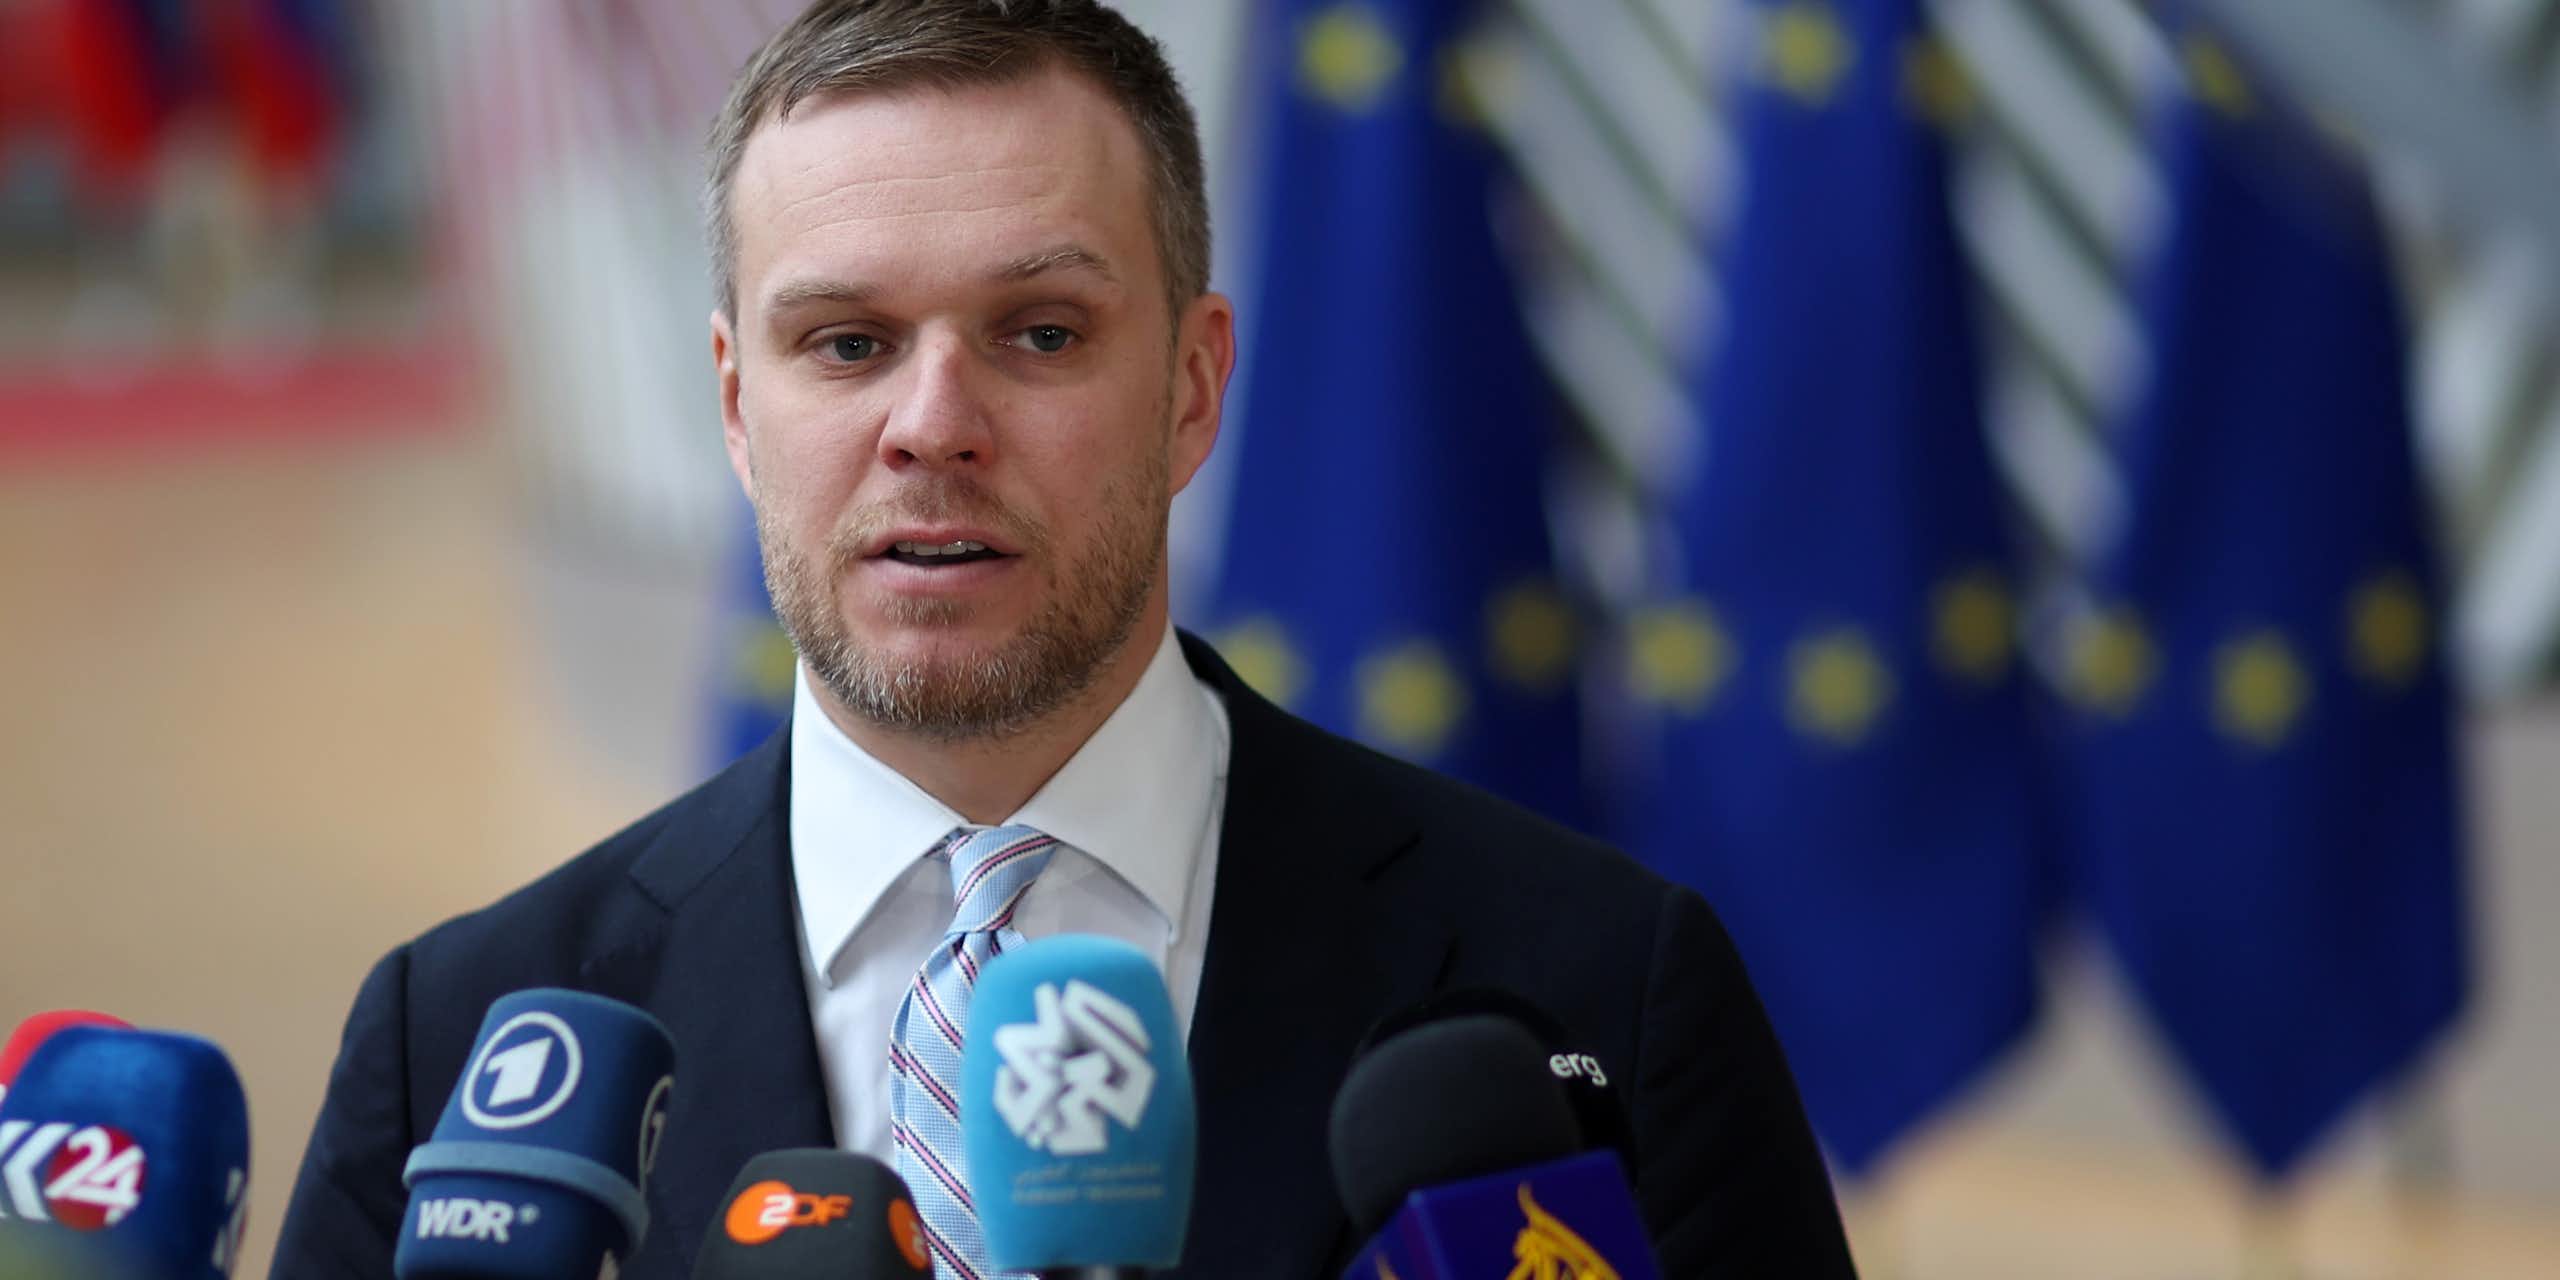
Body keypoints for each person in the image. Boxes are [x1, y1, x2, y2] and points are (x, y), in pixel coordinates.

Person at [270, 2, 1858, 1277]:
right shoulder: (463, 1046)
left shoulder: (1604, 990)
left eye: (1039, 333)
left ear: (1192, 388)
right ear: (740, 408)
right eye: (847, 343)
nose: (933, 426)